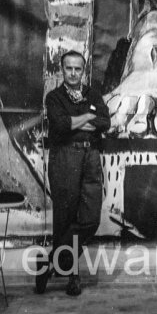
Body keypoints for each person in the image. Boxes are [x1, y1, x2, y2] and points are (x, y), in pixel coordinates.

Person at [36, 50, 110, 296]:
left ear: (84, 70)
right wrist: (88, 115)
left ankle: (50, 264)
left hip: (90, 157)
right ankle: (72, 276)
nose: (73, 73)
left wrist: (76, 120)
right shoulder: (54, 97)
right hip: (65, 157)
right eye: (69, 68)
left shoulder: (93, 94)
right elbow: (60, 125)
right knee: (65, 217)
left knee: (90, 219)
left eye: (78, 69)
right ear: (62, 70)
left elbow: (105, 123)